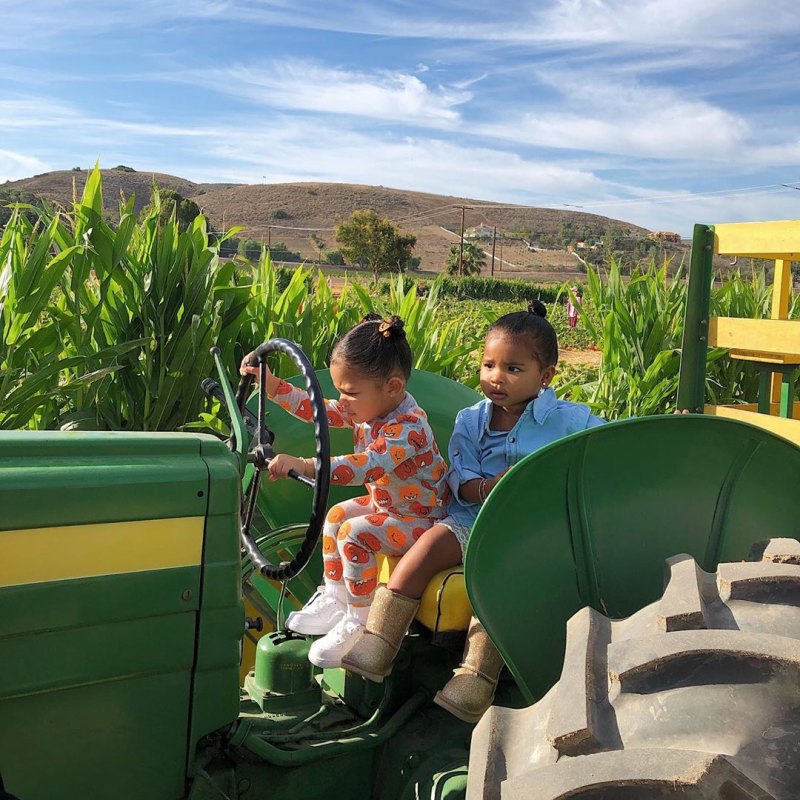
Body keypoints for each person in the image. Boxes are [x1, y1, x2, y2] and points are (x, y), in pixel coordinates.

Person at [342, 301, 605, 722]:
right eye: (488, 365)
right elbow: (459, 479)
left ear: (546, 377)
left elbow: (607, 442)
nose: (496, 378)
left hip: (529, 531)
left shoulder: (567, 420)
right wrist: (486, 487)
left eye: (513, 369)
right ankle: (379, 640)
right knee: (427, 545)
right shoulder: (471, 419)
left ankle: (478, 675)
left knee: (503, 581)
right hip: (471, 518)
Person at [240, 314, 447, 668]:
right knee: (336, 517)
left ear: (393, 387)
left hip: (422, 519)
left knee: (355, 533)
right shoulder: (370, 408)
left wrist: (304, 465)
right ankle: (336, 598)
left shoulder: (409, 428)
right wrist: (272, 386)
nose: (342, 401)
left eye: (350, 393)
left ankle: (360, 620)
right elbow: (318, 409)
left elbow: (366, 466)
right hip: (390, 507)